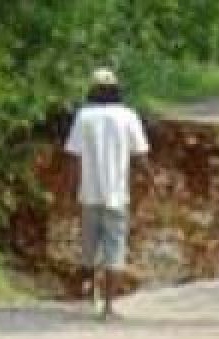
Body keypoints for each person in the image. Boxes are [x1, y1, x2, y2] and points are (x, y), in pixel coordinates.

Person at [65, 68, 150, 318]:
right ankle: (109, 308)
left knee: (89, 249)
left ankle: (89, 299)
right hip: (116, 194)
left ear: (92, 89)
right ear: (116, 89)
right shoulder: (128, 116)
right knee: (114, 251)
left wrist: (70, 189)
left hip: (89, 193)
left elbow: (73, 156)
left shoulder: (84, 116)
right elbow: (141, 155)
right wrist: (151, 180)